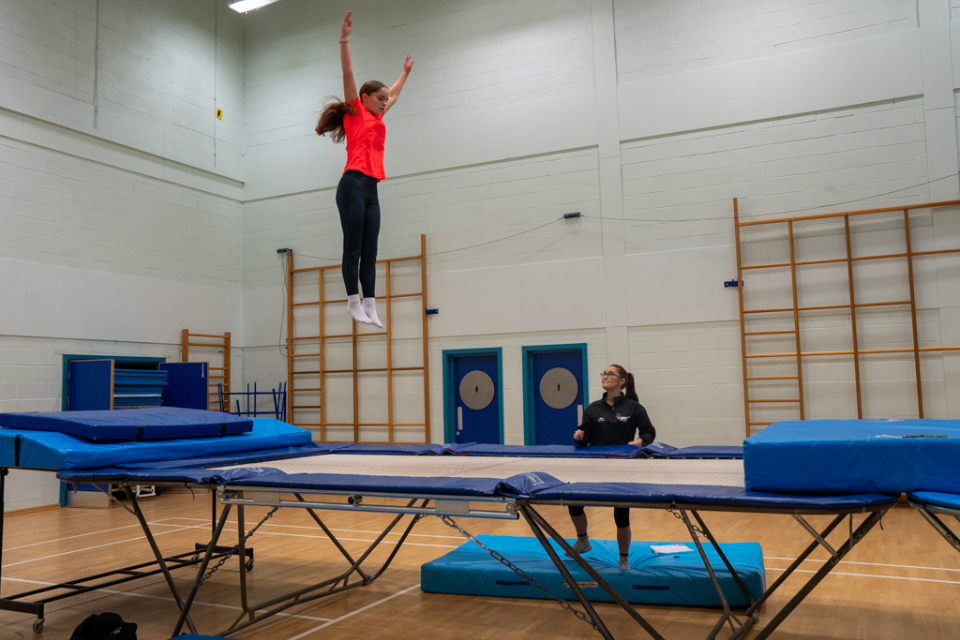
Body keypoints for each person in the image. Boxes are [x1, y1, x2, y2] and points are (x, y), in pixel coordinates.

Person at [315, 10, 413, 327]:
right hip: (352, 186)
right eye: (380, 98)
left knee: (371, 250)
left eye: (386, 99)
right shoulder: (356, 113)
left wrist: (404, 74)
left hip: (371, 188)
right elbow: (348, 73)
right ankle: (352, 301)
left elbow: (395, 93)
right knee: (354, 248)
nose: (385, 102)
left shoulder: (378, 117)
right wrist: (344, 39)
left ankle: (370, 303)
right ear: (365, 98)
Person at [569, 364, 656, 570]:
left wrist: (640, 442)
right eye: (604, 373)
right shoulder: (593, 408)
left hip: (622, 467)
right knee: (573, 502)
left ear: (622, 381)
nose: (605, 376)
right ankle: (583, 541)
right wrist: (579, 437)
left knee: (621, 514)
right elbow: (585, 435)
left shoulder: (634, 408)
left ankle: (624, 559)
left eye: (610, 374)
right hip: (595, 466)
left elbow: (649, 432)